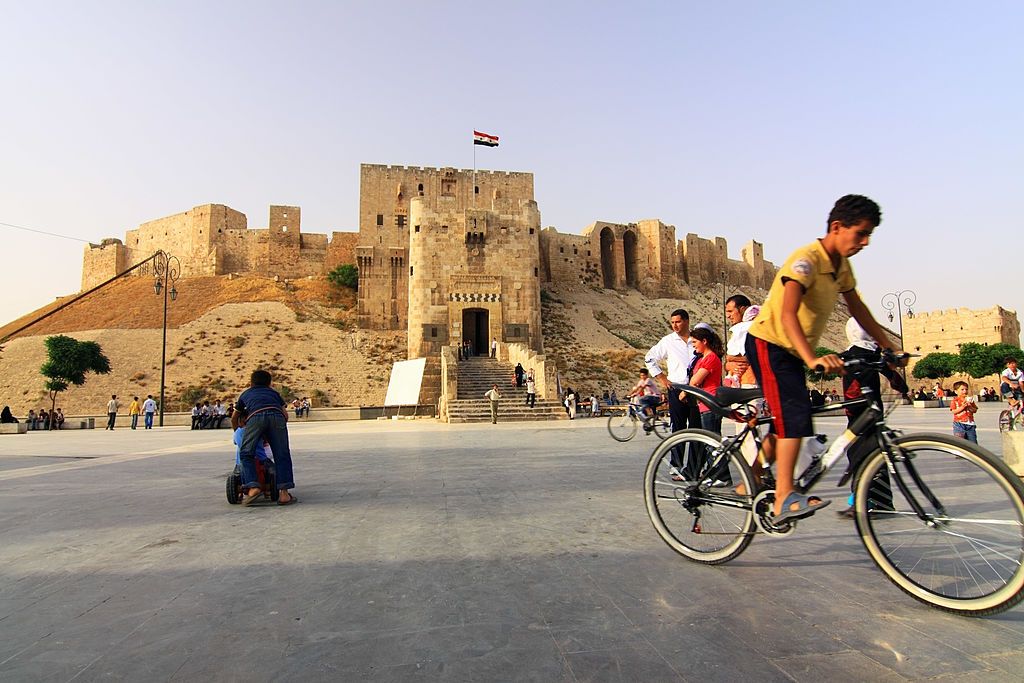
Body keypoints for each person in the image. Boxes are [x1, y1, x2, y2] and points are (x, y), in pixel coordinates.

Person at [745, 194, 898, 523]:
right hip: (769, 342)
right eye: (861, 233)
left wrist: (888, 346)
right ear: (837, 227)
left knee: (792, 420)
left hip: (791, 350)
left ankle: (753, 476)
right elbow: (787, 314)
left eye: (869, 235)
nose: (866, 242)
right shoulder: (806, 260)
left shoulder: (841, 266)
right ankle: (783, 498)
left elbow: (857, 308)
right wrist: (812, 358)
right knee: (793, 418)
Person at [836, 318, 908, 518]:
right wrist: (900, 385)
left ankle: (862, 501)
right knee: (876, 453)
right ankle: (881, 501)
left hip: (858, 414)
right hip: (873, 411)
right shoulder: (874, 354)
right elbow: (896, 380)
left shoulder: (850, 354)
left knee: (858, 454)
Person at [236, 369, 297, 506]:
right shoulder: (274, 393)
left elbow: (235, 416)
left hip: (255, 417)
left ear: (251, 383)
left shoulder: (245, 394)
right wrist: (276, 432)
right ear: (269, 383)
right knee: (282, 455)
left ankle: (253, 486)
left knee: (246, 453)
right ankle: (284, 494)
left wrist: (237, 430)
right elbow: (285, 415)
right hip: (277, 417)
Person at [645, 309, 696, 475]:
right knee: (678, 428)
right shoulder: (668, 341)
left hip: (696, 388)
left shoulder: (696, 339)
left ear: (687, 321)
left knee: (696, 428)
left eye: (678, 322)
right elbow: (649, 358)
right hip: (676, 387)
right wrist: (662, 379)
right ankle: (676, 464)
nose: (675, 325)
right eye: (672, 322)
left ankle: (694, 466)